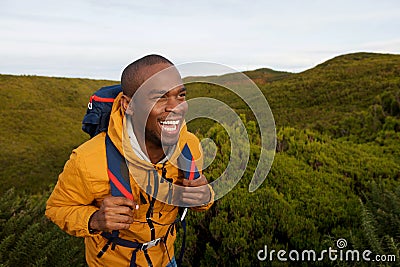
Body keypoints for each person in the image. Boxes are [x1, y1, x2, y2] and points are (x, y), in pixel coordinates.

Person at [46, 54, 213, 267]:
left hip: (166, 258)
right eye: (159, 97)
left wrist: (204, 196)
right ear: (128, 105)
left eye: (180, 95)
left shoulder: (189, 145)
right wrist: (94, 219)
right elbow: (57, 208)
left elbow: (201, 198)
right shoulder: (87, 160)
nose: (176, 107)